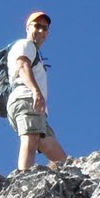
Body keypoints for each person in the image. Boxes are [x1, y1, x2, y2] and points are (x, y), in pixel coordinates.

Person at [8, 11, 67, 172]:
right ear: (28, 27)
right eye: (37, 26)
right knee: (31, 137)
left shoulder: (35, 52)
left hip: (31, 103)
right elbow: (22, 66)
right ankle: (24, 178)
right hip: (27, 98)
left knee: (49, 144)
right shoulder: (25, 45)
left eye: (45, 28)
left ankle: (72, 176)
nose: (41, 31)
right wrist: (35, 91)